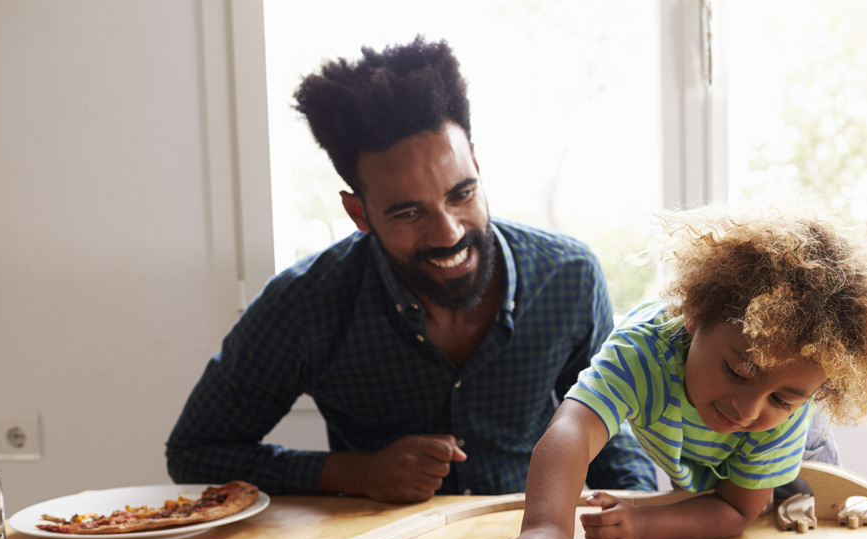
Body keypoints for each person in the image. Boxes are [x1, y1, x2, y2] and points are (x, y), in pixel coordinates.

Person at [166, 38, 656, 501]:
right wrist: (356, 473)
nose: (447, 234)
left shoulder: (568, 277)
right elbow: (194, 453)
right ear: (359, 214)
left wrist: (639, 522)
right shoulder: (303, 303)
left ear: (478, 170)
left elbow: (609, 438)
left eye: (461, 194)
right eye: (407, 213)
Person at [492, 203, 867, 539]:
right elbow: (573, 426)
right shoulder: (642, 352)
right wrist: (547, 526)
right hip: (715, 469)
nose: (747, 408)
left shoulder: (785, 415)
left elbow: (738, 510)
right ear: (696, 315)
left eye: (781, 398)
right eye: (738, 371)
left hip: (800, 468)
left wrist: (643, 524)